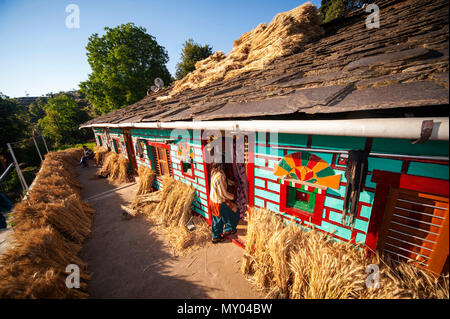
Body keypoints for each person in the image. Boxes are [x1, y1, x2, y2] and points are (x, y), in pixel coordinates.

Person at [208, 161, 239, 244]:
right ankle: (225, 232)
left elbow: (225, 180)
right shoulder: (220, 176)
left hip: (214, 200)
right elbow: (223, 194)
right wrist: (234, 197)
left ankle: (218, 235)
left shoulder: (215, 171)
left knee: (218, 219)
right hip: (219, 202)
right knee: (234, 211)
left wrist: (233, 183)